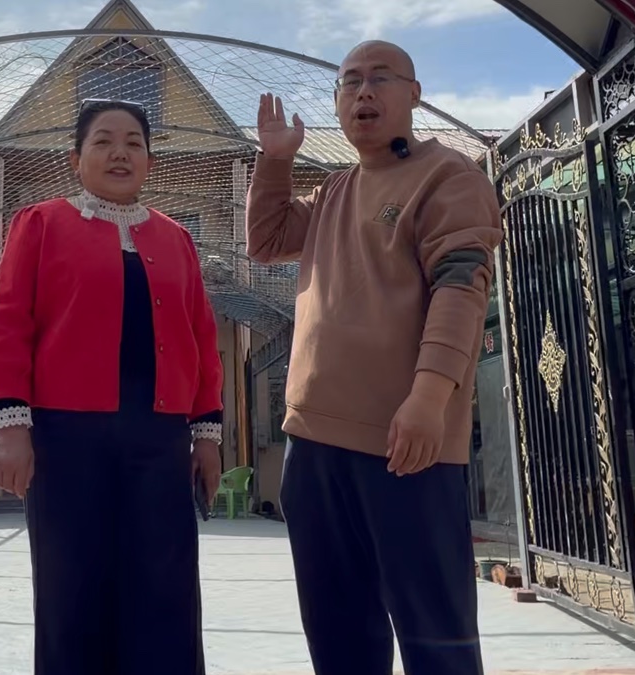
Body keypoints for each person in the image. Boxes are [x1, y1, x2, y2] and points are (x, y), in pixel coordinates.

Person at [246, 41, 502, 675]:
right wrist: (275, 162)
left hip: (406, 444)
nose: (363, 91)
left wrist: (429, 396)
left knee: (435, 636)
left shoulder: (448, 176)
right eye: (350, 81)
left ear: (414, 94)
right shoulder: (335, 190)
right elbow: (266, 241)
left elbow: (461, 286)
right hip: (312, 443)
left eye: (381, 78)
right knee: (339, 636)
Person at [0, 98, 224, 675]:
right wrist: (10, 427)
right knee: (70, 587)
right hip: (66, 438)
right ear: (76, 158)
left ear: (150, 162)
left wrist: (207, 435)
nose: (120, 153)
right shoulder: (40, 224)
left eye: (134, 142)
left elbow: (202, 338)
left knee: (165, 589)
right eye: (104, 141)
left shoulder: (176, 238)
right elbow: (6, 324)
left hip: (160, 438)